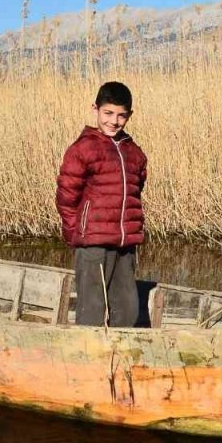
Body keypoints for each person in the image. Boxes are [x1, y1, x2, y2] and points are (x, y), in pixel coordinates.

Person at [56, 81, 148, 327]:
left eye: (121, 115)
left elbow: (135, 193)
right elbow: (67, 197)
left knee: (128, 309)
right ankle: (86, 360)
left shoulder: (134, 152)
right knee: (92, 310)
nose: (114, 121)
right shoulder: (82, 149)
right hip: (93, 242)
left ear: (129, 115)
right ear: (95, 109)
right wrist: (77, 233)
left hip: (124, 244)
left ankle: (119, 358)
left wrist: (131, 229)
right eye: (108, 113)